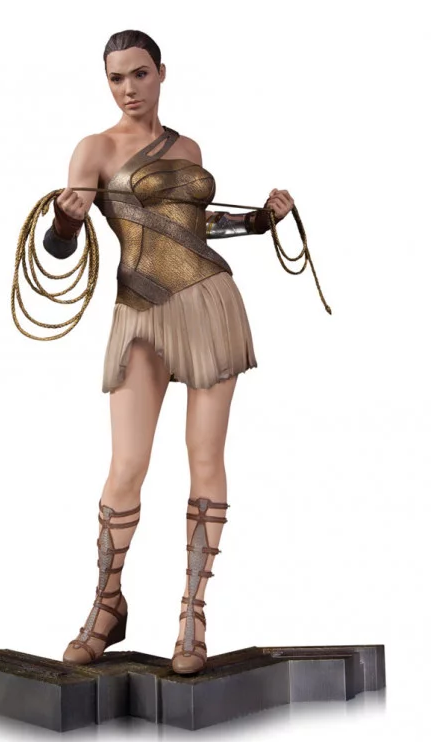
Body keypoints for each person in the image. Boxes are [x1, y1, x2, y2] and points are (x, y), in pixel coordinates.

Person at [42, 30, 294, 675]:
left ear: (160, 73)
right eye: (115, 78)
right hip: (140, 308)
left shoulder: (188, 148)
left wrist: (259, 221)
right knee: (127, 463)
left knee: (205, 456)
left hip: (209, 301)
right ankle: (107, 605)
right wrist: (67, 219)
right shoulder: (95, 149)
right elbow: (62, 247)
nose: (128, 89)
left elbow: (193, 227)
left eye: (139, 74)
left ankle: (192, 615)